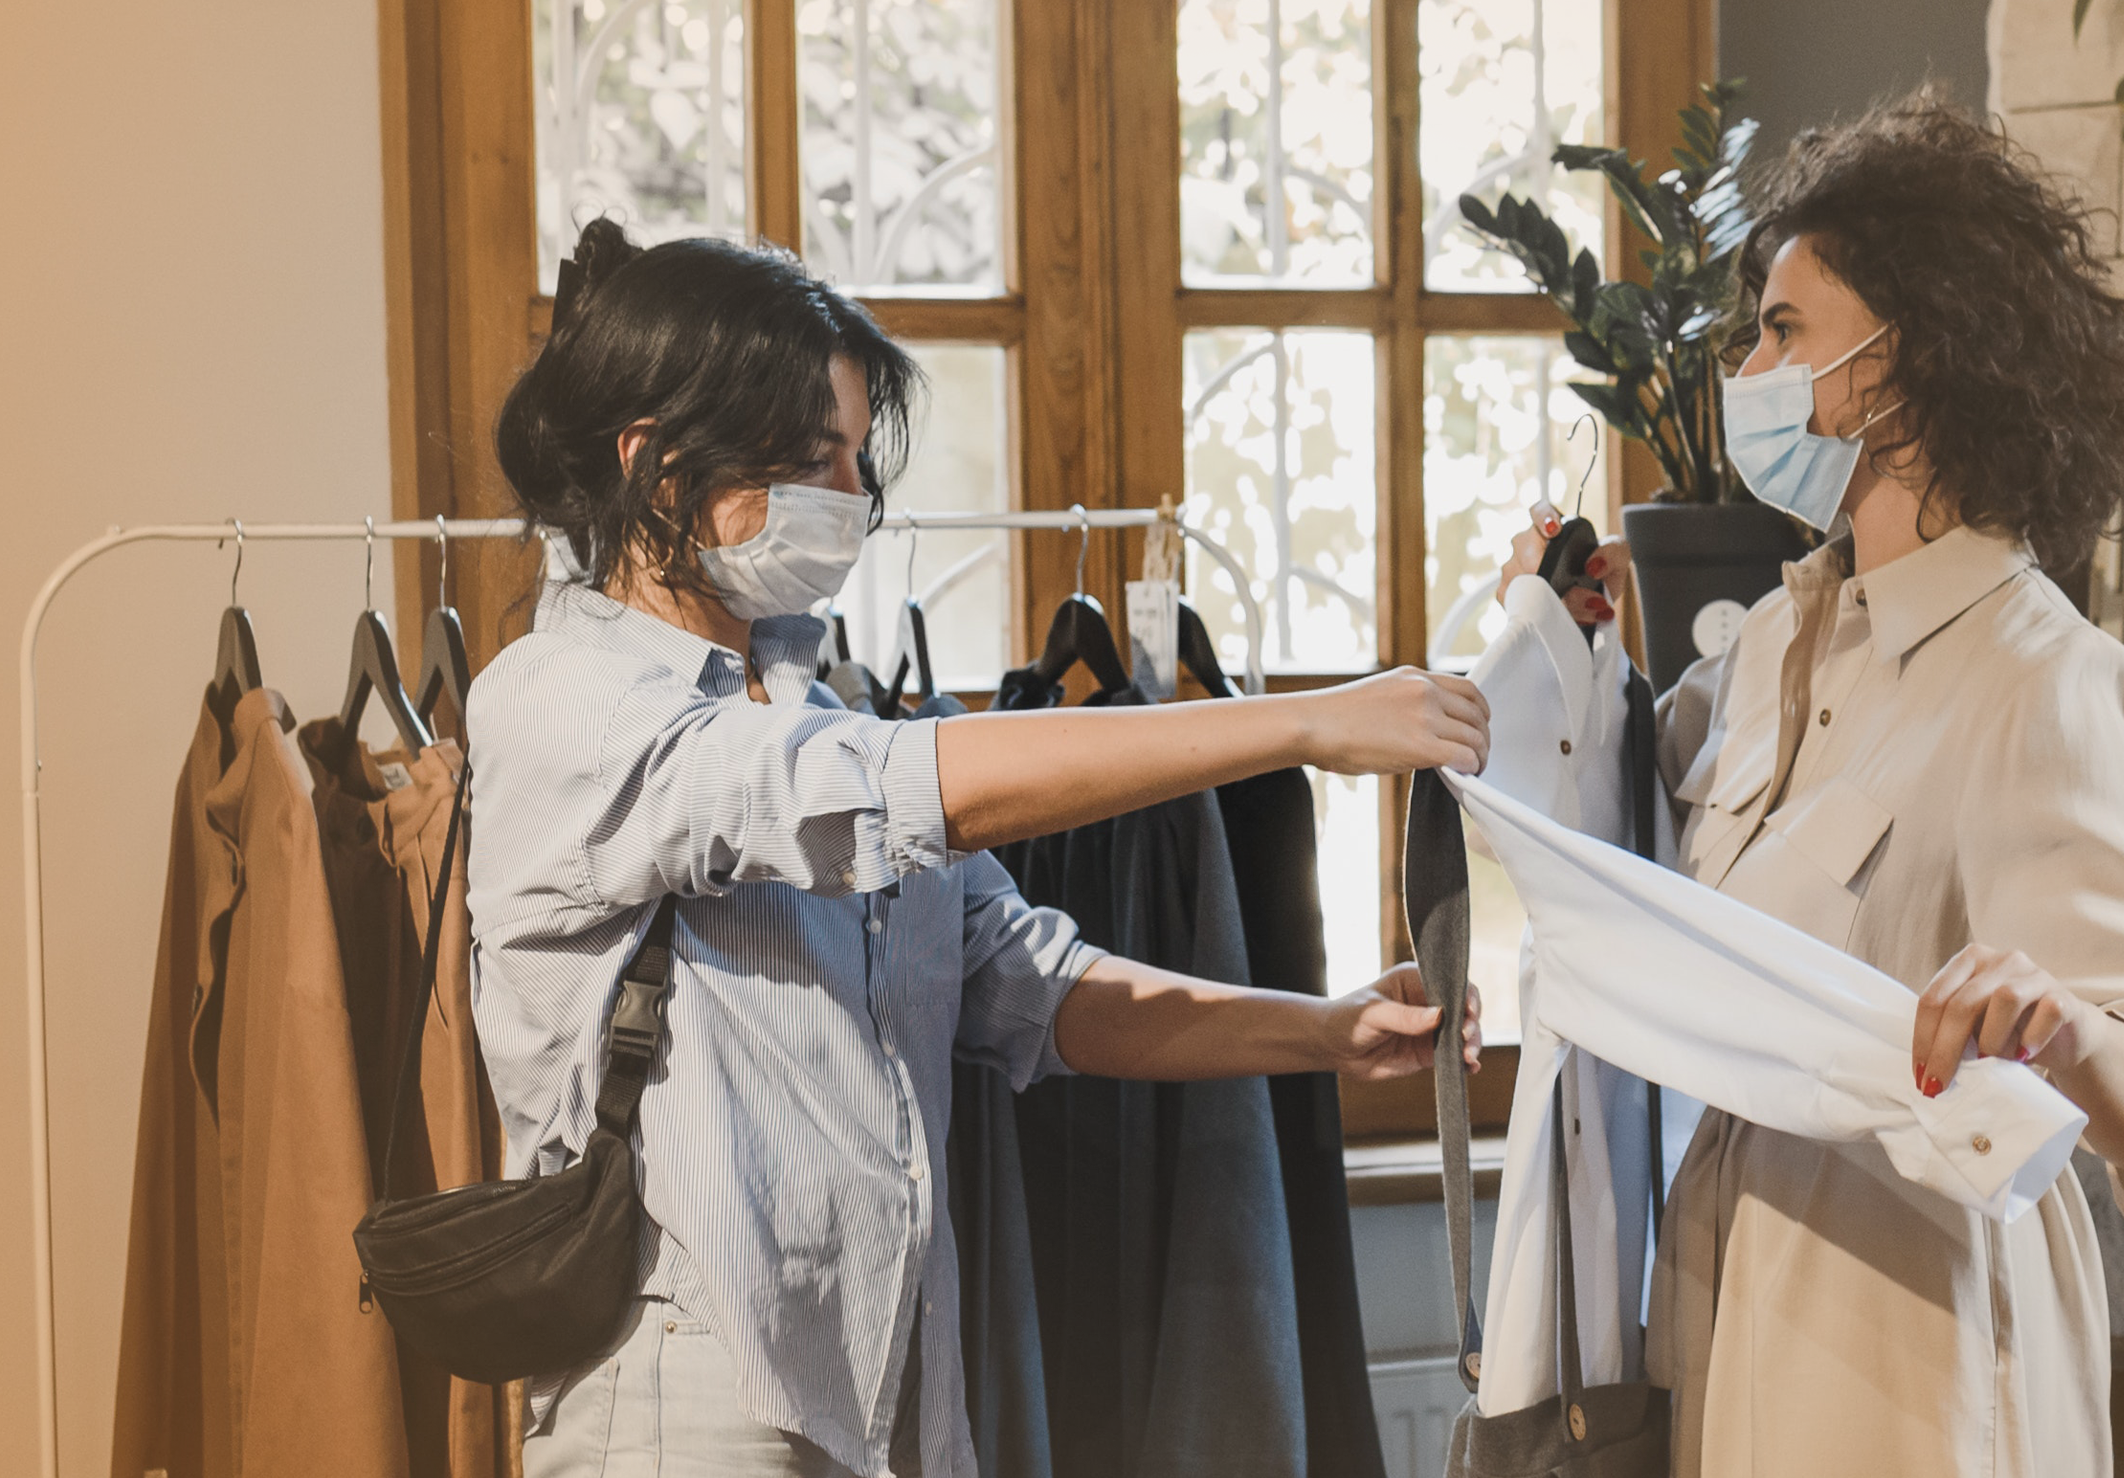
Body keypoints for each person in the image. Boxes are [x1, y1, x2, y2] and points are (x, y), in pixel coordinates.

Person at [467, 219, 1485, 1478]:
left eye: (852, 461)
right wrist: (1301, 725)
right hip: (687, 1416)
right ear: (658, 465)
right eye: (805, 461)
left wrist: (1318, 1032)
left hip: (892, 1405)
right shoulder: (560, 702)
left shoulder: (814, 709)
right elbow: (882, 792)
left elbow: (1034, 989)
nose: (848, 502)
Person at [1499, 97, 2124, 1476]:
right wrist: (1564, 644)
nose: (1746, 367)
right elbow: (1625, 809)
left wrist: (2055, 1030)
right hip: (1732, 1330)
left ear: (1901, 363)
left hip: (1913, 1369)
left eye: (1783, 331)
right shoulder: (1769, 653)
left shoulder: (2042, 681)